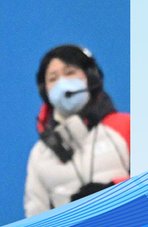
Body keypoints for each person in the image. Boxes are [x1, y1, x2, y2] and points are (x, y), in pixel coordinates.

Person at [24, 45, 130, 217]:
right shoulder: (40, 155)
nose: (62, 83)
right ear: (45, 91)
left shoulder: (127, 126)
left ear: (91, 77)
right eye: (52, 78)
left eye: (70, 72)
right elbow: (35, 221)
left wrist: (112, 192)